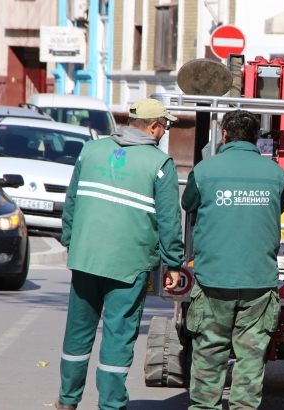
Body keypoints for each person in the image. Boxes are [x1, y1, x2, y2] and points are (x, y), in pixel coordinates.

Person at [55, 98, 185, 410]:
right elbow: (169, 220)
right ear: (153, 126)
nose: (164, 131)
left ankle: (67, 401)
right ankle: (111, 405)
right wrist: (173, 263)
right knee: (118, 335)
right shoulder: (160, 164)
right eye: (164, 126)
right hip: (129, 265)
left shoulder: (91, 149)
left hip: (86, 257)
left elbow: (71, 201)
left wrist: (71, 241)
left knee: (77, 332)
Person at [181, 109, 284, 410]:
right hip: (258, 280)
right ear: (257, 138)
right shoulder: (277, 174)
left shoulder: (204, 170)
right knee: (251, 357)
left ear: (224, 135)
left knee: (210, 352)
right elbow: (278, 208)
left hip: (214, 278)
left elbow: (188, 203)